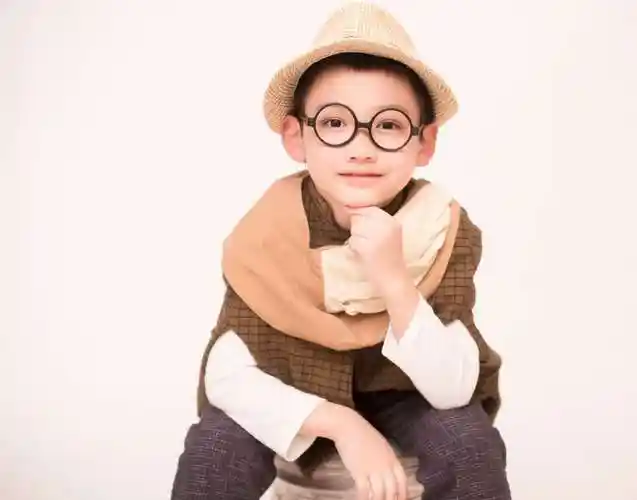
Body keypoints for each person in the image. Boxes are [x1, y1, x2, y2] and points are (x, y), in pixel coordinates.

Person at [170, 2, 510, 499]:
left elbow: (453, 388)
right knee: (216, 448)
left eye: (389, 125)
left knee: (470, 444)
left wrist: (394, 280)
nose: (361, 148)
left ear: (424, 143)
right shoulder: (269, 231)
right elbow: (227, 376)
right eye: (334, 123)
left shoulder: (441, 228)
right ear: (297, 137)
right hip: (292, 384)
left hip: (403, 392)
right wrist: (341, 425)